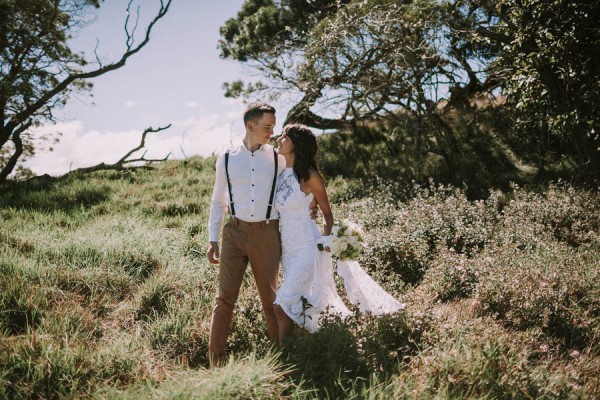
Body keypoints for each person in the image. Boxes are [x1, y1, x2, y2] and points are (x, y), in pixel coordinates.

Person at [273, 124, 405, 342]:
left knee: (282, 303)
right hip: (288, 251)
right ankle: (321, 342)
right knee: (298, 301)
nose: (279, 139)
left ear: (296, 143)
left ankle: (283, 354)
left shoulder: (310, 176)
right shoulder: (281, 174)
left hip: (308, 246)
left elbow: (327, 213)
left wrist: (326, 240)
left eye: (284, 136)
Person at [206, 102, 286, 366]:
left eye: (273, 127)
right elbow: (218, 200)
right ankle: (215, 361)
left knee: (270, 300)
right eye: (267, 127)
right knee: (224, 298)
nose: (271, 132)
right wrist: (213, 238)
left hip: (267, 234)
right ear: (250, 126)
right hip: (234, 233)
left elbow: (290, 193)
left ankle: (280, 359)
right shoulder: (227, 158)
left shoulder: (278, 158)